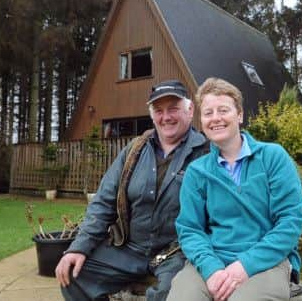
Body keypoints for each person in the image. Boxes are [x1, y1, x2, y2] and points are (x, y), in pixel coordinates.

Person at [56, 80, 208, 301]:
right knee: (72, 273)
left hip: (178, 254)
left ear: (190, 110)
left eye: (173, 109)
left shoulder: (205, 153)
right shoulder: (135, 150)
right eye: (158, 110)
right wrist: (78, 247)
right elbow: (103, 203)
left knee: (170, 294)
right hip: (129, 249)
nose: (166, 117)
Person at [167, 78, 302, 301]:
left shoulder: (273, 157)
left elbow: (291, 220)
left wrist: (245, 266)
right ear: (201, 121)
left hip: (267, 261)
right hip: (213, 259)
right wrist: (211, 269)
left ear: (239, 115)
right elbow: (190, 229)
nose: (216, 119)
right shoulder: (196, 172)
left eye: (223, 110)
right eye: (208, 113)